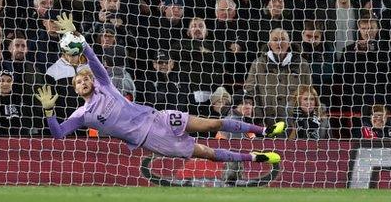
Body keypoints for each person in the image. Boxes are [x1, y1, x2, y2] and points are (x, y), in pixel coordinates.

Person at [35, 13, 285, 164]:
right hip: (151, 139)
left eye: (85, 79)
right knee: (206, 152)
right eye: (79, 82)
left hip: (159, 117)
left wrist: (78, 35)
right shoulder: (82, 114)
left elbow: (93, 59)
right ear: (76, 90)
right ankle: (255, 158)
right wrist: (49, 111)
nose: (84, 81)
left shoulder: (105, 86)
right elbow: (58, 133)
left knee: (212, 123)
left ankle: (264, 130)